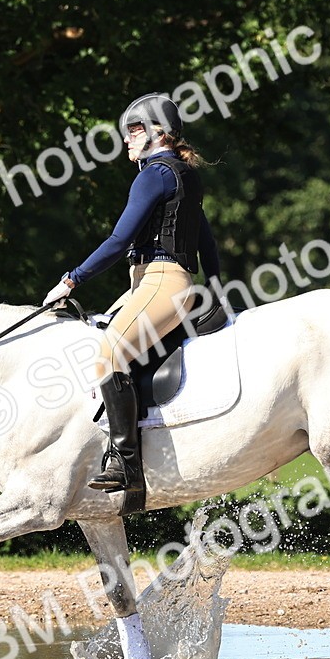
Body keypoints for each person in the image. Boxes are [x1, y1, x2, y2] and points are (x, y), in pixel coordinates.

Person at [42, 93, 221, 494]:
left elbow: (119, 240)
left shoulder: (154, 174)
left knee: (109, 354)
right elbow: (205, 239)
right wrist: (217, 282)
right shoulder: (186, 172)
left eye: (135, 129)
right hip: (160, 282)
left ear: (160, 132)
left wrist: (71, 280)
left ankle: (126, 465)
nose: (127, 138)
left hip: (158, 279)